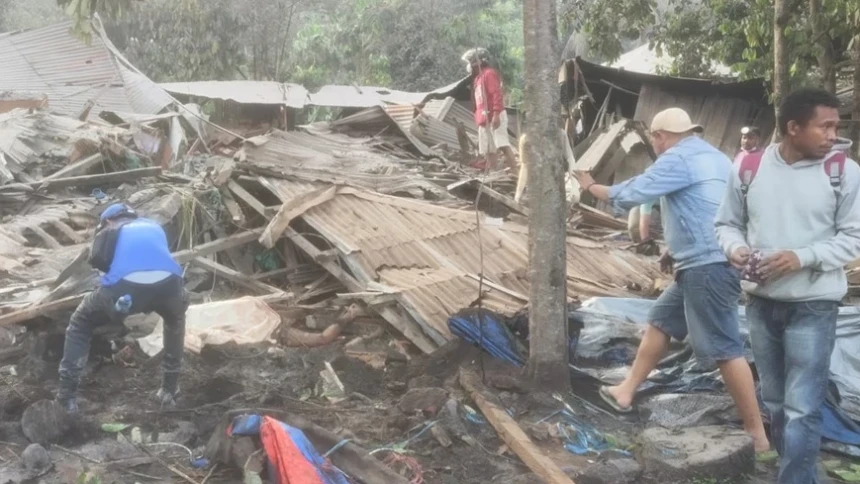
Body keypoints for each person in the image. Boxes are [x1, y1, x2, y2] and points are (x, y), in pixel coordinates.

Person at [573, 107, 769, 452]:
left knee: (724, 349)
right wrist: (674, 249)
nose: (654, 144)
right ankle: (625, 391)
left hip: (707, 265)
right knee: (661, 322)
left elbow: (635, 192)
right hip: (706, 259)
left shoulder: (677, 158)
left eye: (654, 138)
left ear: (660, 136)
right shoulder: (716, 157)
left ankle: (757, 434)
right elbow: (708, 208)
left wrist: (592, 187)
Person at [715, 88, 860, 483]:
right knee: (776, 403)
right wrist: (737, 248)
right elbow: (726, 223)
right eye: (824, 126)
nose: (833, 135)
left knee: (802, 407)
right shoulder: (748, 168)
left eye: (836, 126)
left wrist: (803, 257)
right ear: (793, 128)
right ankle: (797, 473)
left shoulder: (843, 173)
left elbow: (855, 237)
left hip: (814, 305)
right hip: (761, 305)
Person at [57, 203, 189, 413]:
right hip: (170, 285)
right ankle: (169, 391)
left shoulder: (110, 231)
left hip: (126, 288)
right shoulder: (153, 226)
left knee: (80, 322)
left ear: (108, 221)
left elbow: (100, 265)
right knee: (175, 321)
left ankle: (67, 399)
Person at [462, 48, 517, 172]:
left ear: (479, 61)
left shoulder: (489, 74)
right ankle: (492, 173)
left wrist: (496, 114)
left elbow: (496, 94)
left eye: (470, 62)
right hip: (483, 118)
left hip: (494, 115)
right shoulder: (477, 79)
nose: (469, 66)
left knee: (502, 144)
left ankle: (516, 173)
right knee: (488, 149)